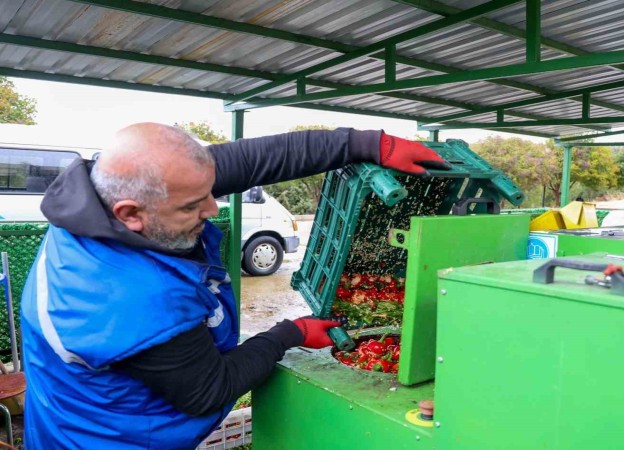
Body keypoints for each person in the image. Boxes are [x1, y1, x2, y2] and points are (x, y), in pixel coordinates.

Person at [20, 123, 450, 449]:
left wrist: (367, 144)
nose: (213, 207)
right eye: (194, 205)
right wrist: (291, 333)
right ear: (130, 213)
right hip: (104, 439)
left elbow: (252, 160)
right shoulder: (128, 298)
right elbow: (209, 391)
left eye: (209, 191)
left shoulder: (112, 194)